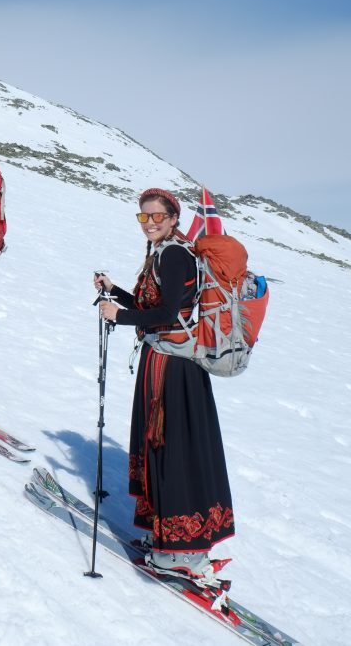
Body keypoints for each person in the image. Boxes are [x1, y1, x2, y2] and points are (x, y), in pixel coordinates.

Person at [94, 187, 234, 581]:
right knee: (168, 449)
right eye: (145, 217)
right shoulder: (164, 253)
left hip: (174, 369)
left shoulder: (173, 254)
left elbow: (168, 312)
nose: (151, 223)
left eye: (157, 217)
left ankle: (181, 551)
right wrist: (115, 292)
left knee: (172, 449)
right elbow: (150, 305)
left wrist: (118, 316)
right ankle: (168, 538)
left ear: (173, 218)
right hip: (167, 363)